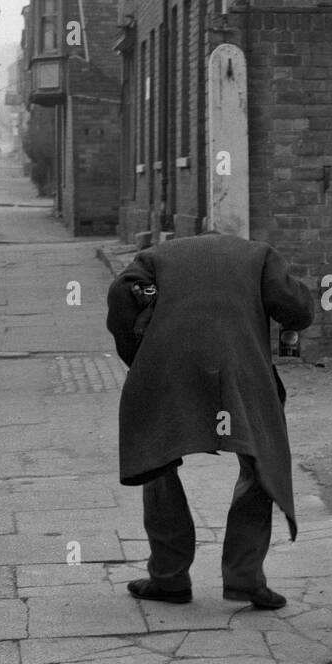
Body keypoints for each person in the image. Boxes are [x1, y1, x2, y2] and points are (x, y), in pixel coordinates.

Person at [106, 229, 313, 609]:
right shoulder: (259, 255)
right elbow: (296, 310)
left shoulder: (154, 257)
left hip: (167, 367)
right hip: (241, 369)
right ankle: (246, 578)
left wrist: (139, 360)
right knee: (258, 463)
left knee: (159, 462)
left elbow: (122, 299)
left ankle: (169, 578)